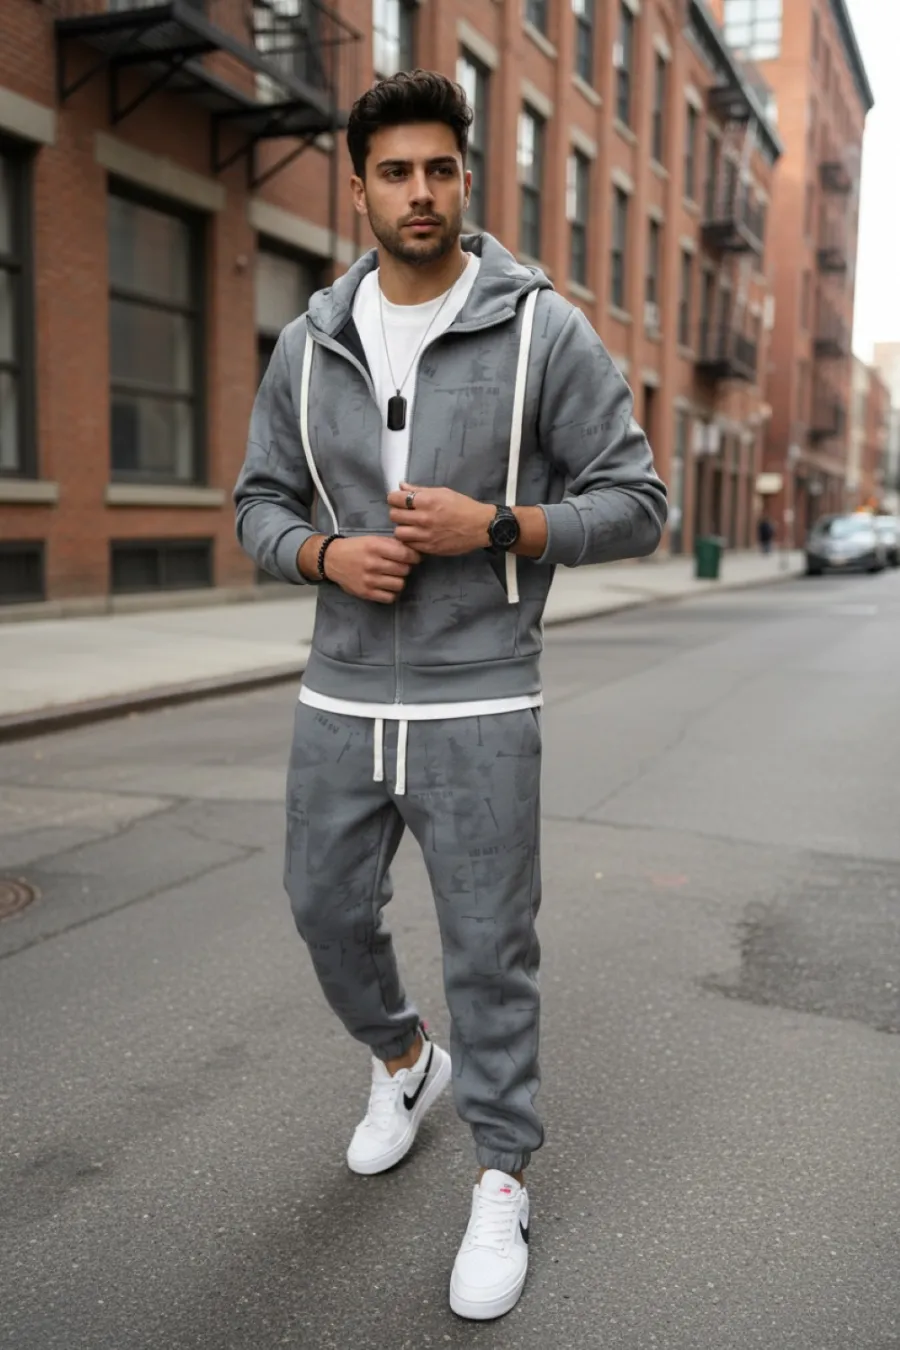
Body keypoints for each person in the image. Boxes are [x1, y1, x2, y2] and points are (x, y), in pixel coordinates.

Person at [234, 70, 666, 1321]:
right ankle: (403, 1058)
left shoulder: (543, 330)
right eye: (395, 172)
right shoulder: (310, 340)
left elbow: (639, 503)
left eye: (439, 168)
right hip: (340, 697)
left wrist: (502, 526)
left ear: (465, 177)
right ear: (358, 187)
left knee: (490, 951)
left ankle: (500, 1172)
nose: (419, 191)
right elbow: (259, 503)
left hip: (480, 703)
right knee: (324, 913)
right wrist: (321, 555)